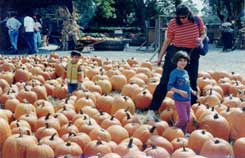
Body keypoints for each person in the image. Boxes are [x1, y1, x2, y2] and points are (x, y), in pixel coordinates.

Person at [145, 4, 206, 120]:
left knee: (191, 81)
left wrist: (201, 39)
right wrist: (160, 56)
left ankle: (191, 113)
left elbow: (203, 33)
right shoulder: (173, 23)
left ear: (189, 15)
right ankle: (152, 109)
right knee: (165, 81)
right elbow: (168, 40)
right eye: (179, 17)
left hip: (192, 53)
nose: (182, 20)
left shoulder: (197, 20)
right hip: (175, 52)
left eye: (184, 17)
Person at [167, 51, 196, 133]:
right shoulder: (174, 73)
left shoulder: (186, 72)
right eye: (180, 60)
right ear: (176, 61)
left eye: (185, 60)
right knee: (183, 119)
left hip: (188, 100)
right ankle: (173, 131)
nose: (183, 62)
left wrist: (192, 91)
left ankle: (184, 133)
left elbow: (187, 85)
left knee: (187, 120)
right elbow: (169, 87)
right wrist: (180, 92)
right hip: (179, 100)